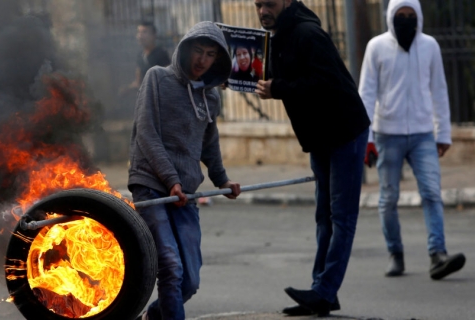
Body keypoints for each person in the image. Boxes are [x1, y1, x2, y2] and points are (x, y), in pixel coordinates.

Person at [253, 0, 370, 316]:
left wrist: (278, 87)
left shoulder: (307, 34)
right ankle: (323, 291)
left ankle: (324, 290)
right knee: (324, 216)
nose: (264, 10)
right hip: (320, 138)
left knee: (342, 218)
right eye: (258, 4)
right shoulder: (277, 37)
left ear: (287, 2)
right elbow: (277, 78)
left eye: (270, 3)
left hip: (344, 132)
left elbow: (326, 84)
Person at [128, 21, 241, 320]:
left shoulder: (211, 96)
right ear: (186, 48)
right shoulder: (157, 78)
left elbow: (209, 145)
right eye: (198, 51)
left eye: (210, 55)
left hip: (184, 193)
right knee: (170, 265)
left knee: (189, 280)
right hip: (151, 184)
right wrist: (171, 180)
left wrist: (223, 180)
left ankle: (154, 316)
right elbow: (147, 133)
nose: (202, 60)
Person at [358, 0, 465, 280]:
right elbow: (366, 94)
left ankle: (437, 254)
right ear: (390, 17)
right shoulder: (376, 47)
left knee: (431, 192)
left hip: (422, 135)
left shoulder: (430, 46)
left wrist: (442, 133)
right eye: (400, 15)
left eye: (410, 15)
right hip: (386, 134)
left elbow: (439, 90)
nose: (405, 20)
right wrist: (366, 138)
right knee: (388, 198)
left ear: (418, 17)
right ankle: (395, 253)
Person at [125, 21, 171, 92]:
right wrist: (127, 89)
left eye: (144, 32)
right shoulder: (140, 55)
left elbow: (168, 79)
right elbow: (138, 81)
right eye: (139, 32)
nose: (140, 36)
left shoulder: (161, 54)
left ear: (153, 35)